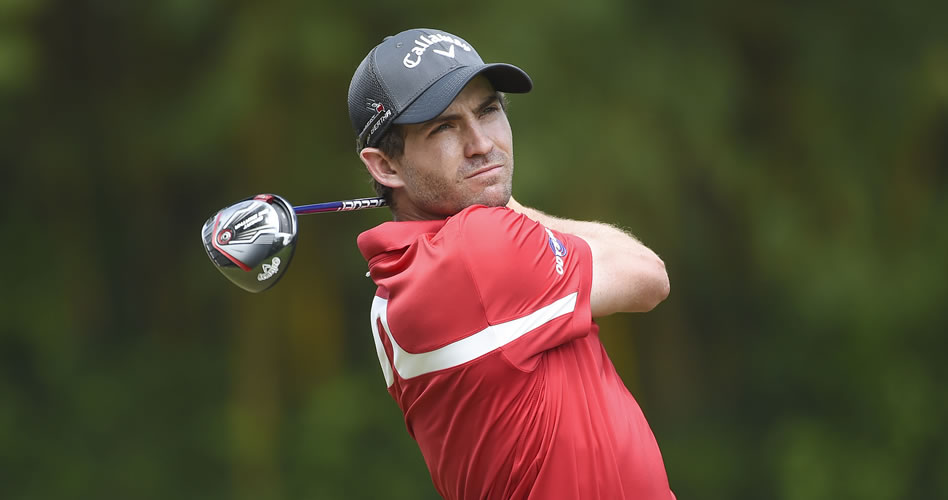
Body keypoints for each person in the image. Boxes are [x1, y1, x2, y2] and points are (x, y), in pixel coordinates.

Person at [348, 28, 674, 500]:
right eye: (443, 127)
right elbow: (647, 275)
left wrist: (492, 200)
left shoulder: (400, 281)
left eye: (489, 110)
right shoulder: (476, 251)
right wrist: (507, 204)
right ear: (385, 167)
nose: (482, 143)